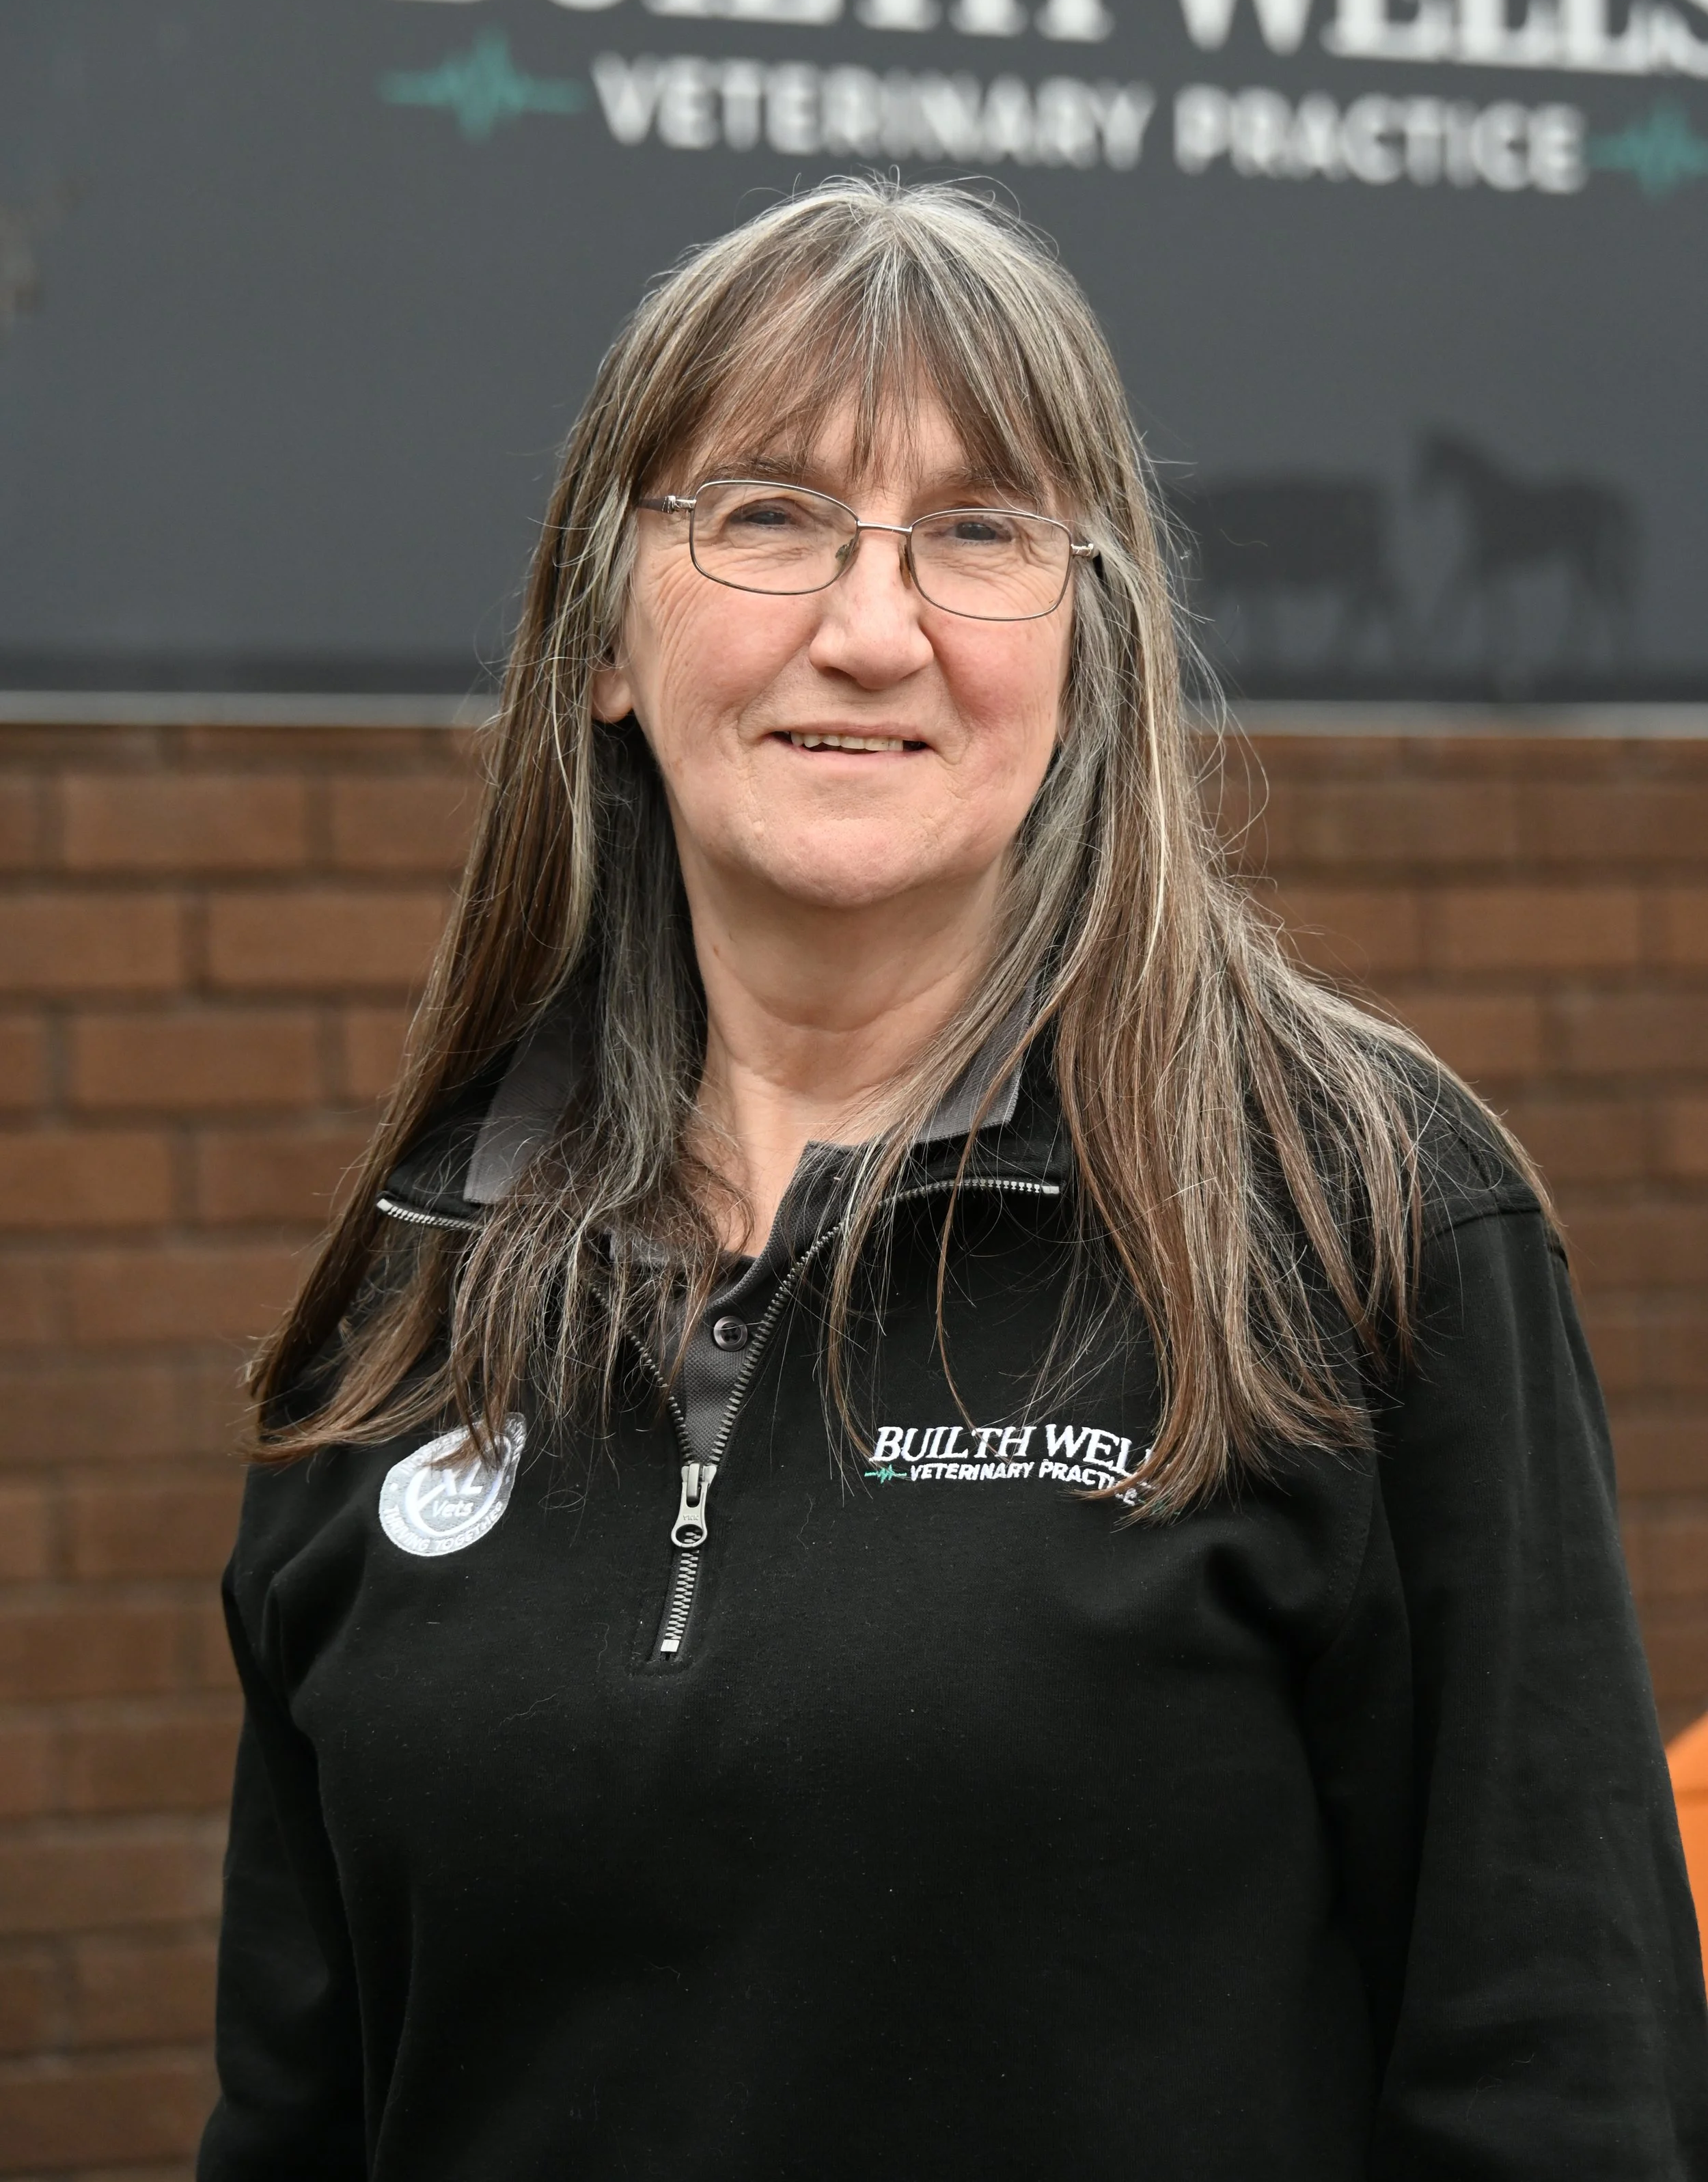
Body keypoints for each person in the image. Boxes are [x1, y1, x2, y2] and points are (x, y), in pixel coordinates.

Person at [199, 180, 1707, 2182]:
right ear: (602, 642)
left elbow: (1559, 2073)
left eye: (980, 531)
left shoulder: (1366, 1213)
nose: (872, 626)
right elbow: (293, 2112)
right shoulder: (422, 1268)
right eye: (766, 514)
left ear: (1084, 646)